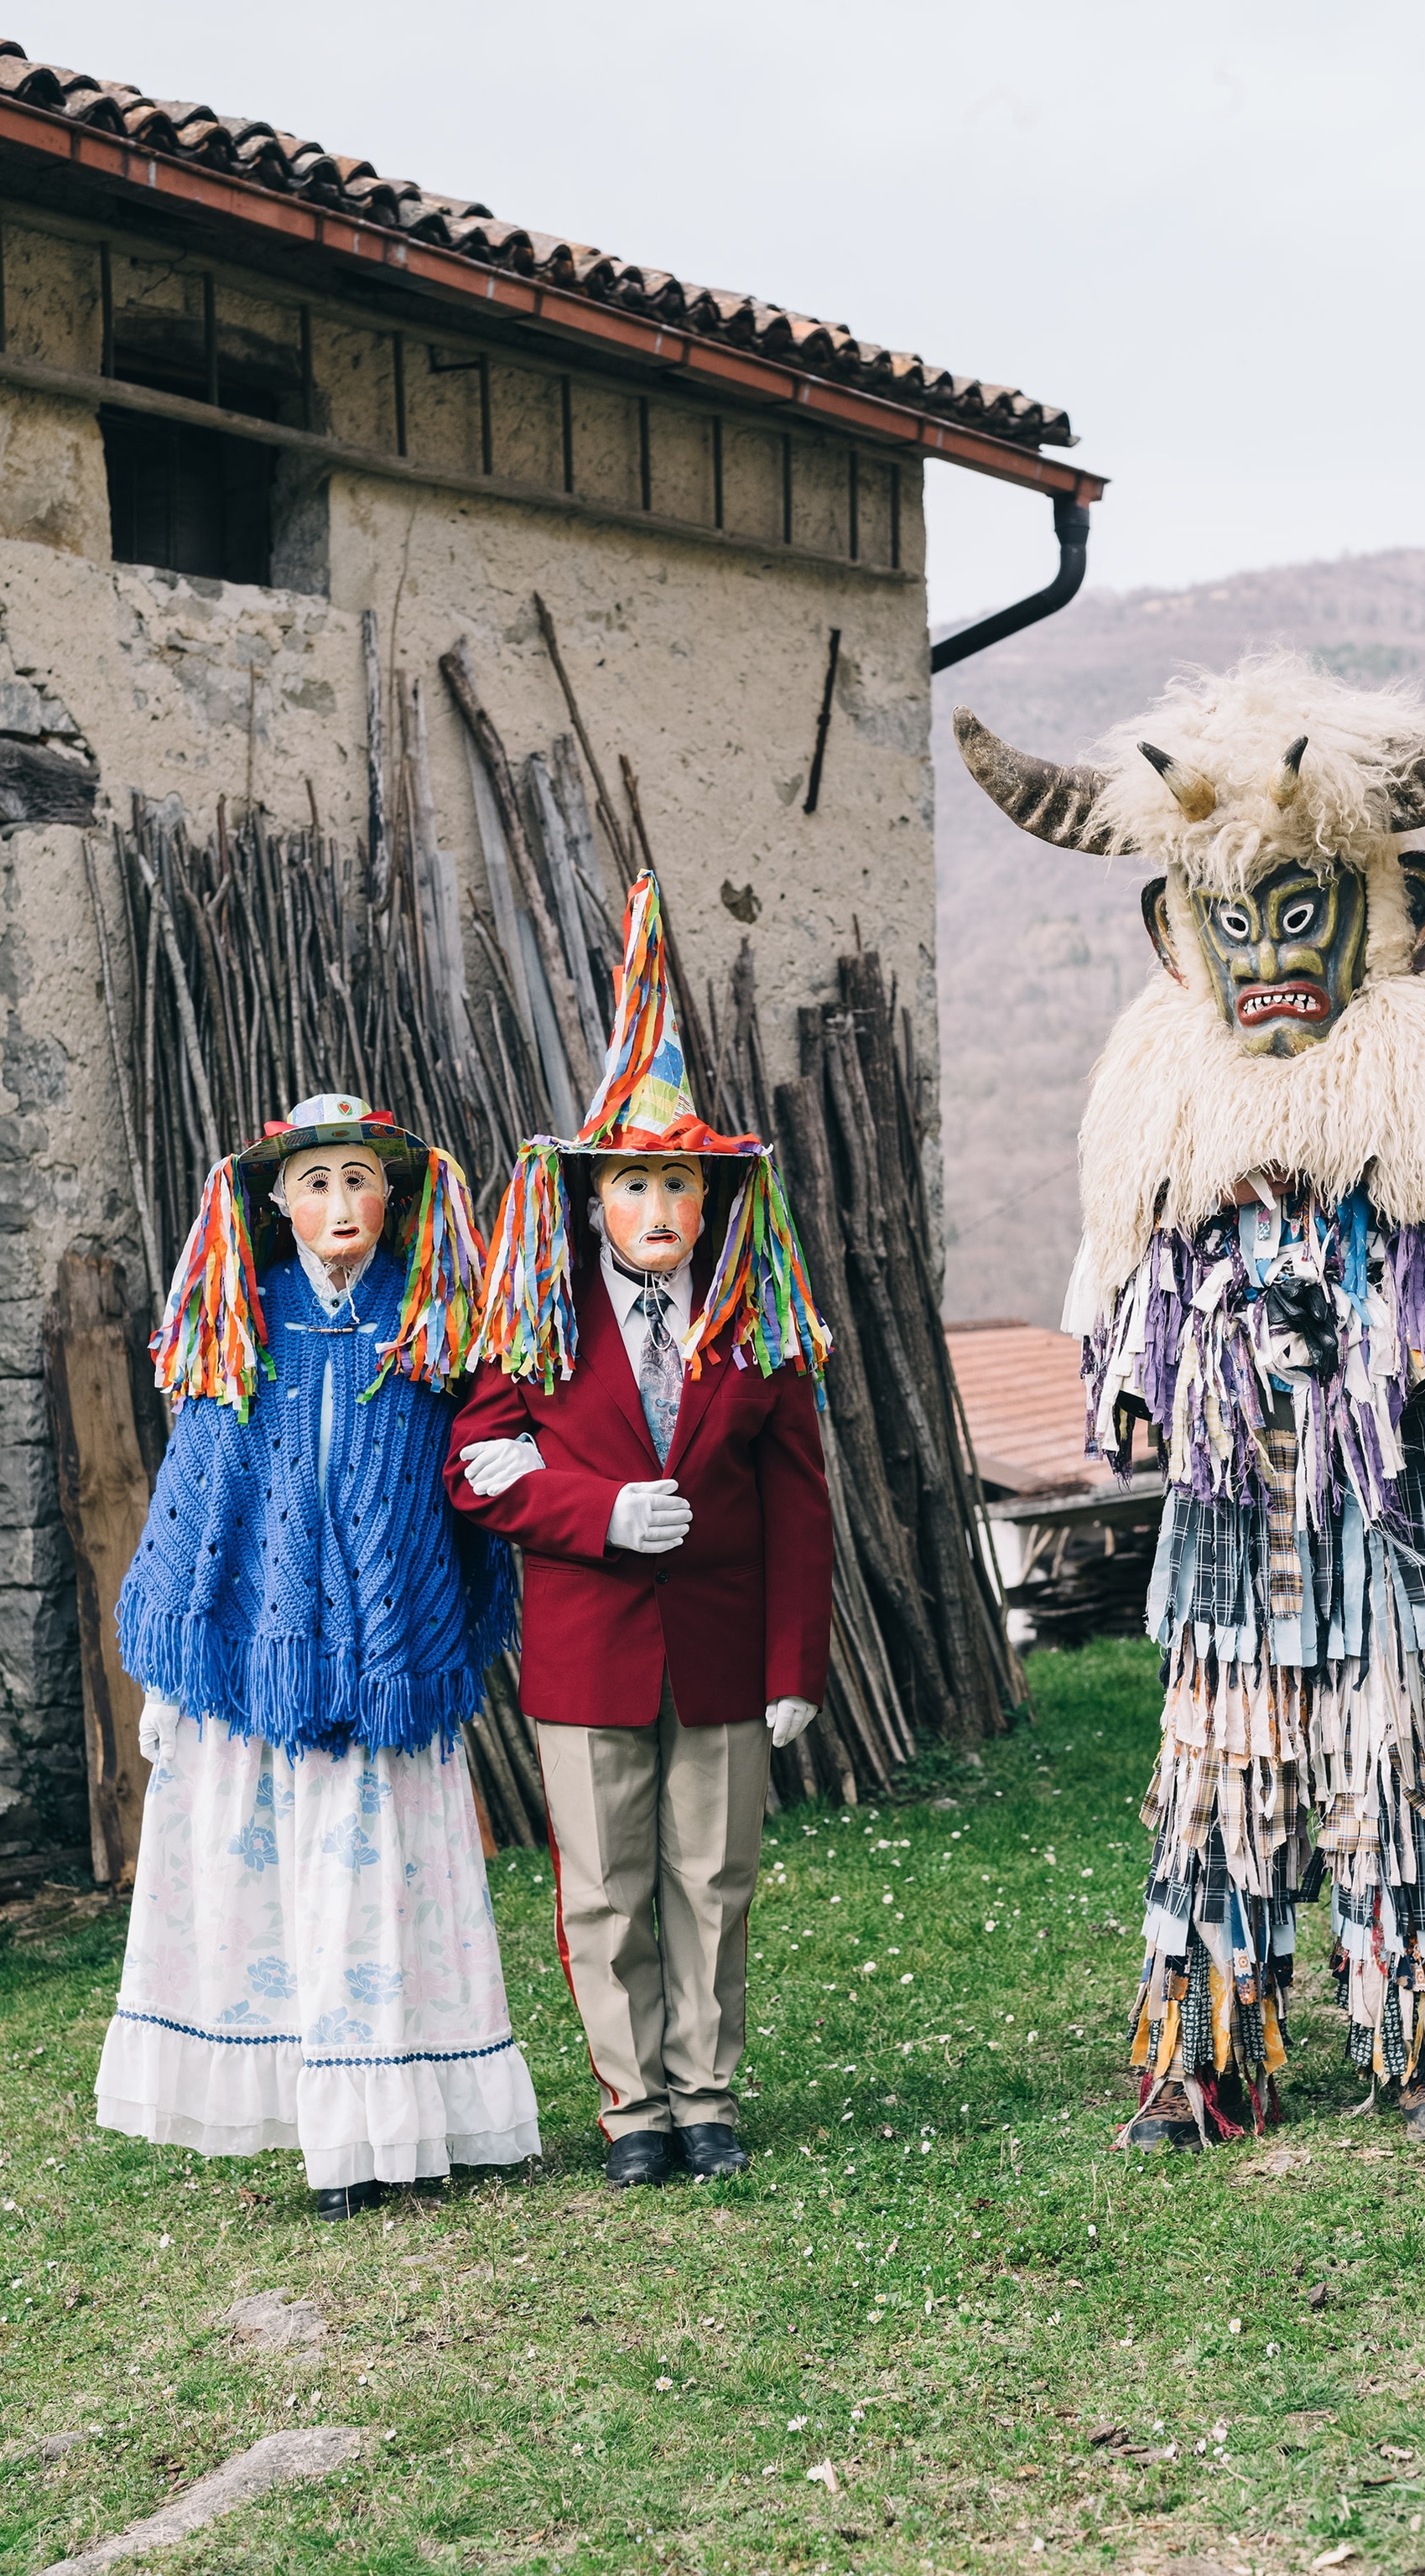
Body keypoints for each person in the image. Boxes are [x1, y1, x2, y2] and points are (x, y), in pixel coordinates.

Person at [954, 647, 1425, 2148]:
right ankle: (1206, 2059)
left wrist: (1381, 1340)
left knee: (1396, 1766)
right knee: (1219, 1775)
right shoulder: (1163, 1138)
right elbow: (1134, 1323)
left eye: (1298, 913)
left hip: (1375, 1514)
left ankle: (1423, 2051)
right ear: (1178, 937)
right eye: (1231, 921)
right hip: (1232, 1517)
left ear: (1392, 912)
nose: (1267, 954)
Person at [445, 873, 833, 2189]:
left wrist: (791, 1667)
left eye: (676, 1187)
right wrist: (599, 1510)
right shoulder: (543, 1324)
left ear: (710, 1200)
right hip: (586, 1645)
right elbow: (477, 1471)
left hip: (721, 1650)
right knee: (604, 1887)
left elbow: (798, 1504)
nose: (656, 1213)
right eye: (631, 1189)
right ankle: (632, 2107)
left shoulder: (756, 1328)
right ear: (590, 1201)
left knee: (709, 1878)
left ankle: (707, 2093)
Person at [95, 1094, 539, 2219]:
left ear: (393, 1199)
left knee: (385, 1899)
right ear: (276, 1202)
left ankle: (396, 2128)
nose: (339, 1203)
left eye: (358, 1180)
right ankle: (322, 2134)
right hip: (266, 1682)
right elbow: (203, 1503)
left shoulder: (434, 1330)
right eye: (315, 1182)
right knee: (286, 1901)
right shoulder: (240, 1332)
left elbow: (462, 1493)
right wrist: (167, 1680)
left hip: (391, 1682)